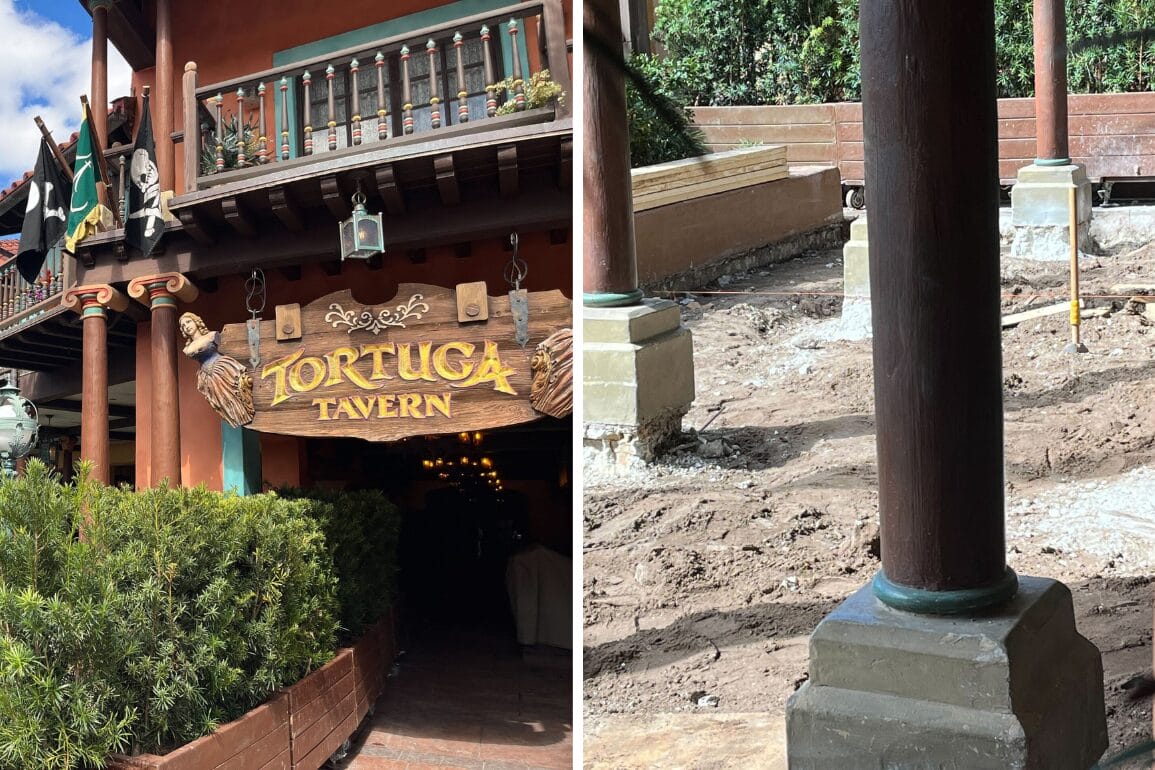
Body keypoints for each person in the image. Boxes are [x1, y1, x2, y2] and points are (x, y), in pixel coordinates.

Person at [179, 312, 254, 428]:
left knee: (234, 392)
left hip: (221, 367)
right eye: (183, 325)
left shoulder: (212, 336)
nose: (186, 326)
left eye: (188, 322)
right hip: (206, 375)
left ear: (196, 321)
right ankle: (235, 418)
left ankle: (244, 414)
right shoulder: (187, 348)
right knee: (220, 401)